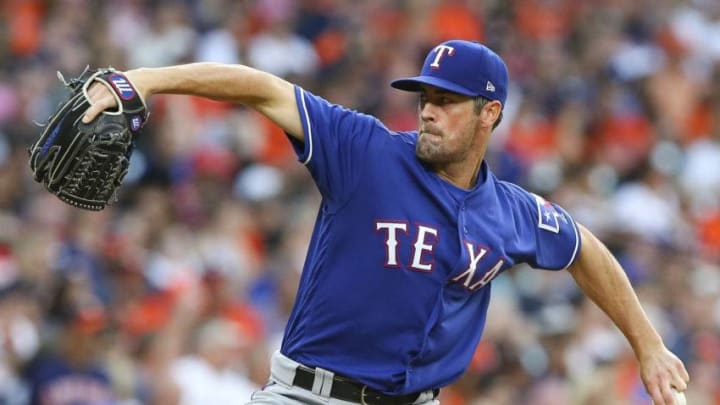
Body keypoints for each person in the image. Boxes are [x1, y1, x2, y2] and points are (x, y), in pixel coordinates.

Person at [82, 39, 689, 405]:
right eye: (424, 97)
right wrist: (145, 80)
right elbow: (261, 89)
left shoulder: (511, 211)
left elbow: (585, 249)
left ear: (490, 114)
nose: (427, 111)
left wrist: (650, 346)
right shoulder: (365, 151)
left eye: (447, 102)